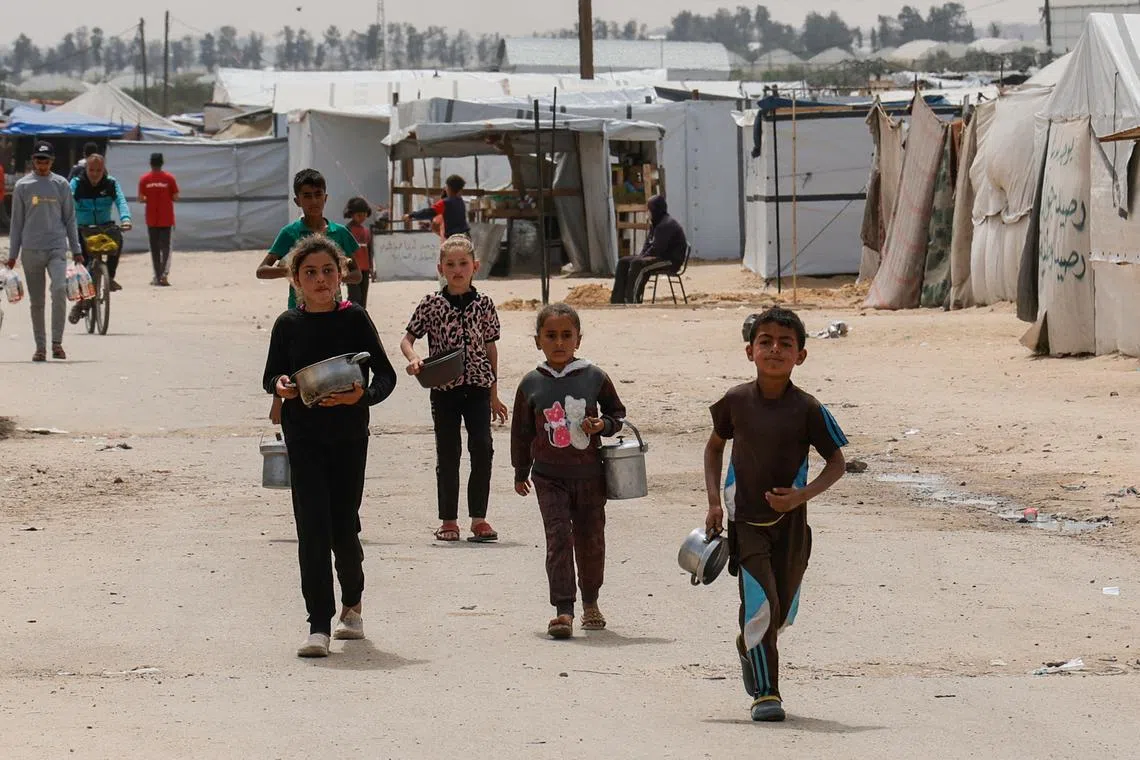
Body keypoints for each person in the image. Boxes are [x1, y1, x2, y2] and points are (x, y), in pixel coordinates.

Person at [703, 307, 847, 722]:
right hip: (746, 523)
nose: (775, 350)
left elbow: (836, 462)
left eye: (786, 344)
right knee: (761, 607)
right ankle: (767, 694)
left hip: (792, 526)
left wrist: (802, 495)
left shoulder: (808, 409)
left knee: (783, 610)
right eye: (765, 342)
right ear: (750, 351)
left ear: (801, 355)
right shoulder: (734, 402)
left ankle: (749, 645)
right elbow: (714, 448)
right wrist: (714, 501)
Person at [262, 235, 398, 658]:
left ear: (341, 274)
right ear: (295, 279)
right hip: (302, 437)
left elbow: (385, 377)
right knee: (312, 529)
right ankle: (317, 624)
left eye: (327, 271)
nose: (320, 279)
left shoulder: (354, 318)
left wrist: (363, 397)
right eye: (309, 273)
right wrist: (281, 387)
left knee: (343, 525)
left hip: (349, 437)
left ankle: (352, 605)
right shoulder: (288, 324)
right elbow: (272, 376)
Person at [511, 303, 626, 639]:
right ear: (538, 341)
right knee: (558, 538)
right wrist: (521, 471)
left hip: (590, 475)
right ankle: (563, 609)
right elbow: (522, 432)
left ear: (578, 338)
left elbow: (616, 413)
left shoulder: (594, 376)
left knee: (591, 540)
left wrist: (602, 424)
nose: (558, 342)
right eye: (550, 336)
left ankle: (591, 602)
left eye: (566, 335)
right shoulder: (531, 383)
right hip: (548, 476)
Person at [400, 234, 508, 543]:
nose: (457, 270)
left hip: (477, 388)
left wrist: (494, 393)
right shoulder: (431, 304)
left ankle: (479, 518)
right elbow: (407, 339)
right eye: (450, 264)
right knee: (448, 453)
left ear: (475, 266)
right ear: (440, 268)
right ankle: (448, 520)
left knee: (483, 449)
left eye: (463, 264)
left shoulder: (484, 304)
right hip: (444, 390)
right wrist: (414, 359)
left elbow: (491, 349)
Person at [256, 169, 362, 426]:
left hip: (334, 309)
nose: (313, 201)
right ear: (297, 201)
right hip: (300, 308)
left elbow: (358, 274)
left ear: (326, 198)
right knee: (294, 359)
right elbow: (262, 270)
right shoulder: (290, 234)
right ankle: (279, 402)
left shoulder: (339, 234)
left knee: (331, 359)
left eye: (317, 195)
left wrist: (335, 274)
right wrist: (295, 271)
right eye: (307, 196)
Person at [6, 140, 82, 362]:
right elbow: (16, 223)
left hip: (56, 247)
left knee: (59, 289)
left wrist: (76, 249)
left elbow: (70, 218)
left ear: (52, 161)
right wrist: (12, 255)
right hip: (31, 249)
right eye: (39, 160)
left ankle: (57, 343)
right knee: (37, 301)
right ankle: (40, 347)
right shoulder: (22, 186)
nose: (42, 164)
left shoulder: (61, 185)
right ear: (33, 161)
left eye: (46, 160)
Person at [69, 154, 132, 303]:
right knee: (83, 264)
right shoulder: (76, 183)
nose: (95, 174)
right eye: (92, 170)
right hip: (82, 228)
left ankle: (109, 276)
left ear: (104, 169)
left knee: (118, 239)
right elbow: (67, 204)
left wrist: (126, 219)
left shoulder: (111, 183)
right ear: (86, 169)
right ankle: (81, 302)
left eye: (99, 170)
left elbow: (121, 201)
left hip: (104, 226)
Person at [609, 195, 688, 305]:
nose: (648, 212)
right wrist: (641, 256)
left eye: (649, 209)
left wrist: (641, 259)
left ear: (656, 209)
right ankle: (617, 300)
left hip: (670, 261)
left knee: (638, 264)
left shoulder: (666, 225)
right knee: (624, 261)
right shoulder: (655, 224)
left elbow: (657, 249)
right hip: (658, 257)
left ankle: (632, 300)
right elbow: (648, 245)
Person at [138, 152, 179, 287]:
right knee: (166, 247)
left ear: (150, 163)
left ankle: (157, 276)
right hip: (166, 219)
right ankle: (164, 275)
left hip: (151, 219)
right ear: (162, 163)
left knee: (154, 248)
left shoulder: (144, 179)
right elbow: (176, 196)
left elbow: (140, 198)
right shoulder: (169, 178)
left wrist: (150, 198)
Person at [404, 174, 470, 239]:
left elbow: (428, 212)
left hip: (453, 239)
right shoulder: (460, 202)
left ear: (448, 188)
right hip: (465, 237)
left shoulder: (444, 203)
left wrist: (411, 215)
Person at [343, 197, 374, 307]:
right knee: (354, 297)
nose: (362, 218)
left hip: (365, 269)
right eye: (359, 215)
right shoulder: (347, 230)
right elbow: (344, 251)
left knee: (363, 299)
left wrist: (371, 267)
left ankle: (361, 319)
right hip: (353, 270)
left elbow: (369, 250)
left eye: (364, 215)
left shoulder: (366, 231)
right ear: (352, 215)